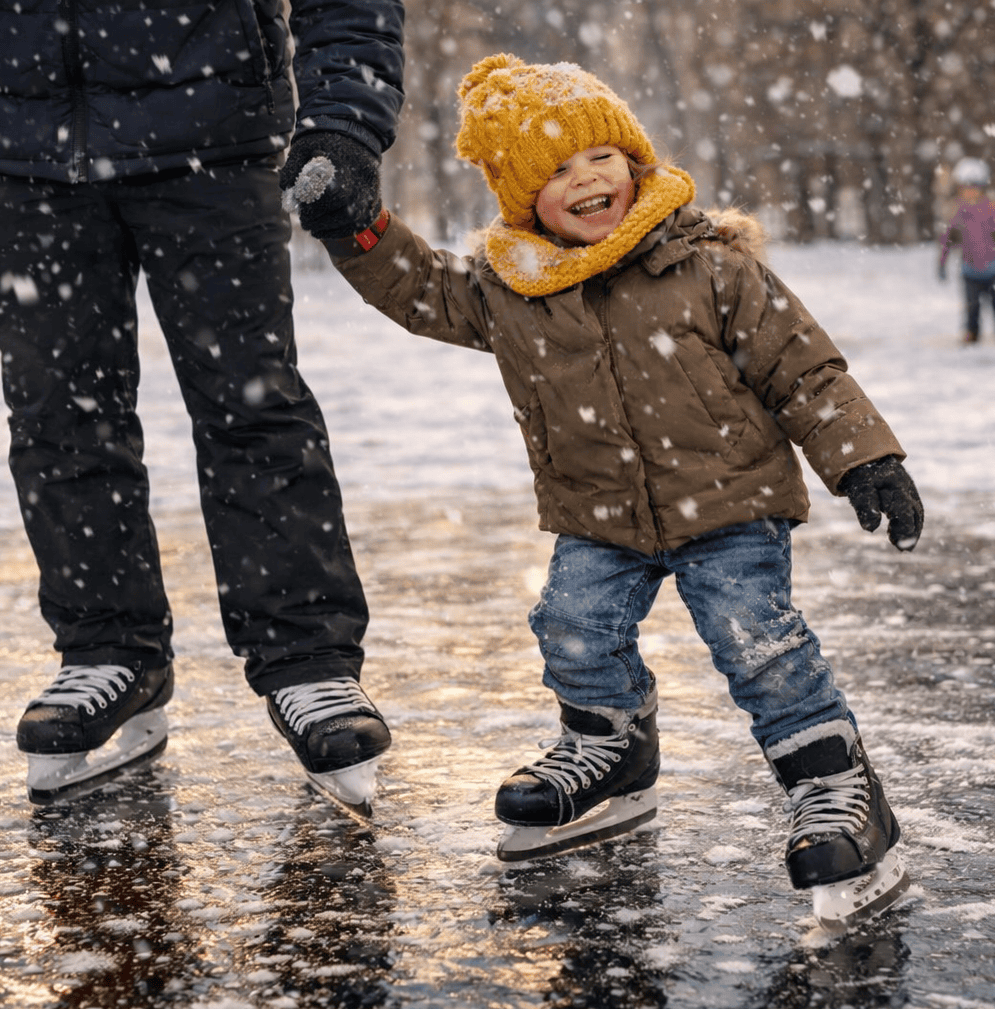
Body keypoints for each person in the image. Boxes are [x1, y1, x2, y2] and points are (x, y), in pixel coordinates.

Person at [288, 53, 922, 928]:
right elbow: (422, 290)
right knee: (572, 628)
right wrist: (358, 230)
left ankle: (837, 789)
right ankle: (610, 746)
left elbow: (803, 369)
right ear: (522, 197)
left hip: (729, 506)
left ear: (635, 161)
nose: (587, 179)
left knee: (758, 645)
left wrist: (864, 460)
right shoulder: (515, 286)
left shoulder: (710, 266)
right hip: (598, 518)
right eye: (555, 170)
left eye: (600, 157)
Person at [0, 0, 404, 813]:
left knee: (254, 409)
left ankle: (310, 666)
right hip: (16, 145)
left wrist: (345, 121)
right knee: (57, 414)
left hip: (210, 131)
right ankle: (109, 650)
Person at [937, 157, 995, 346]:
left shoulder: (993, 208)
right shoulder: (957, 210)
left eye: (974, 187)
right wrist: (942, 261)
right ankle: (971, 333)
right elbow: (948, 238)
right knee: (972, 305)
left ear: (982, 187)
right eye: (965, 187)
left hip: (994, 266)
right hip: (970, 268)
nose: (970, 192)